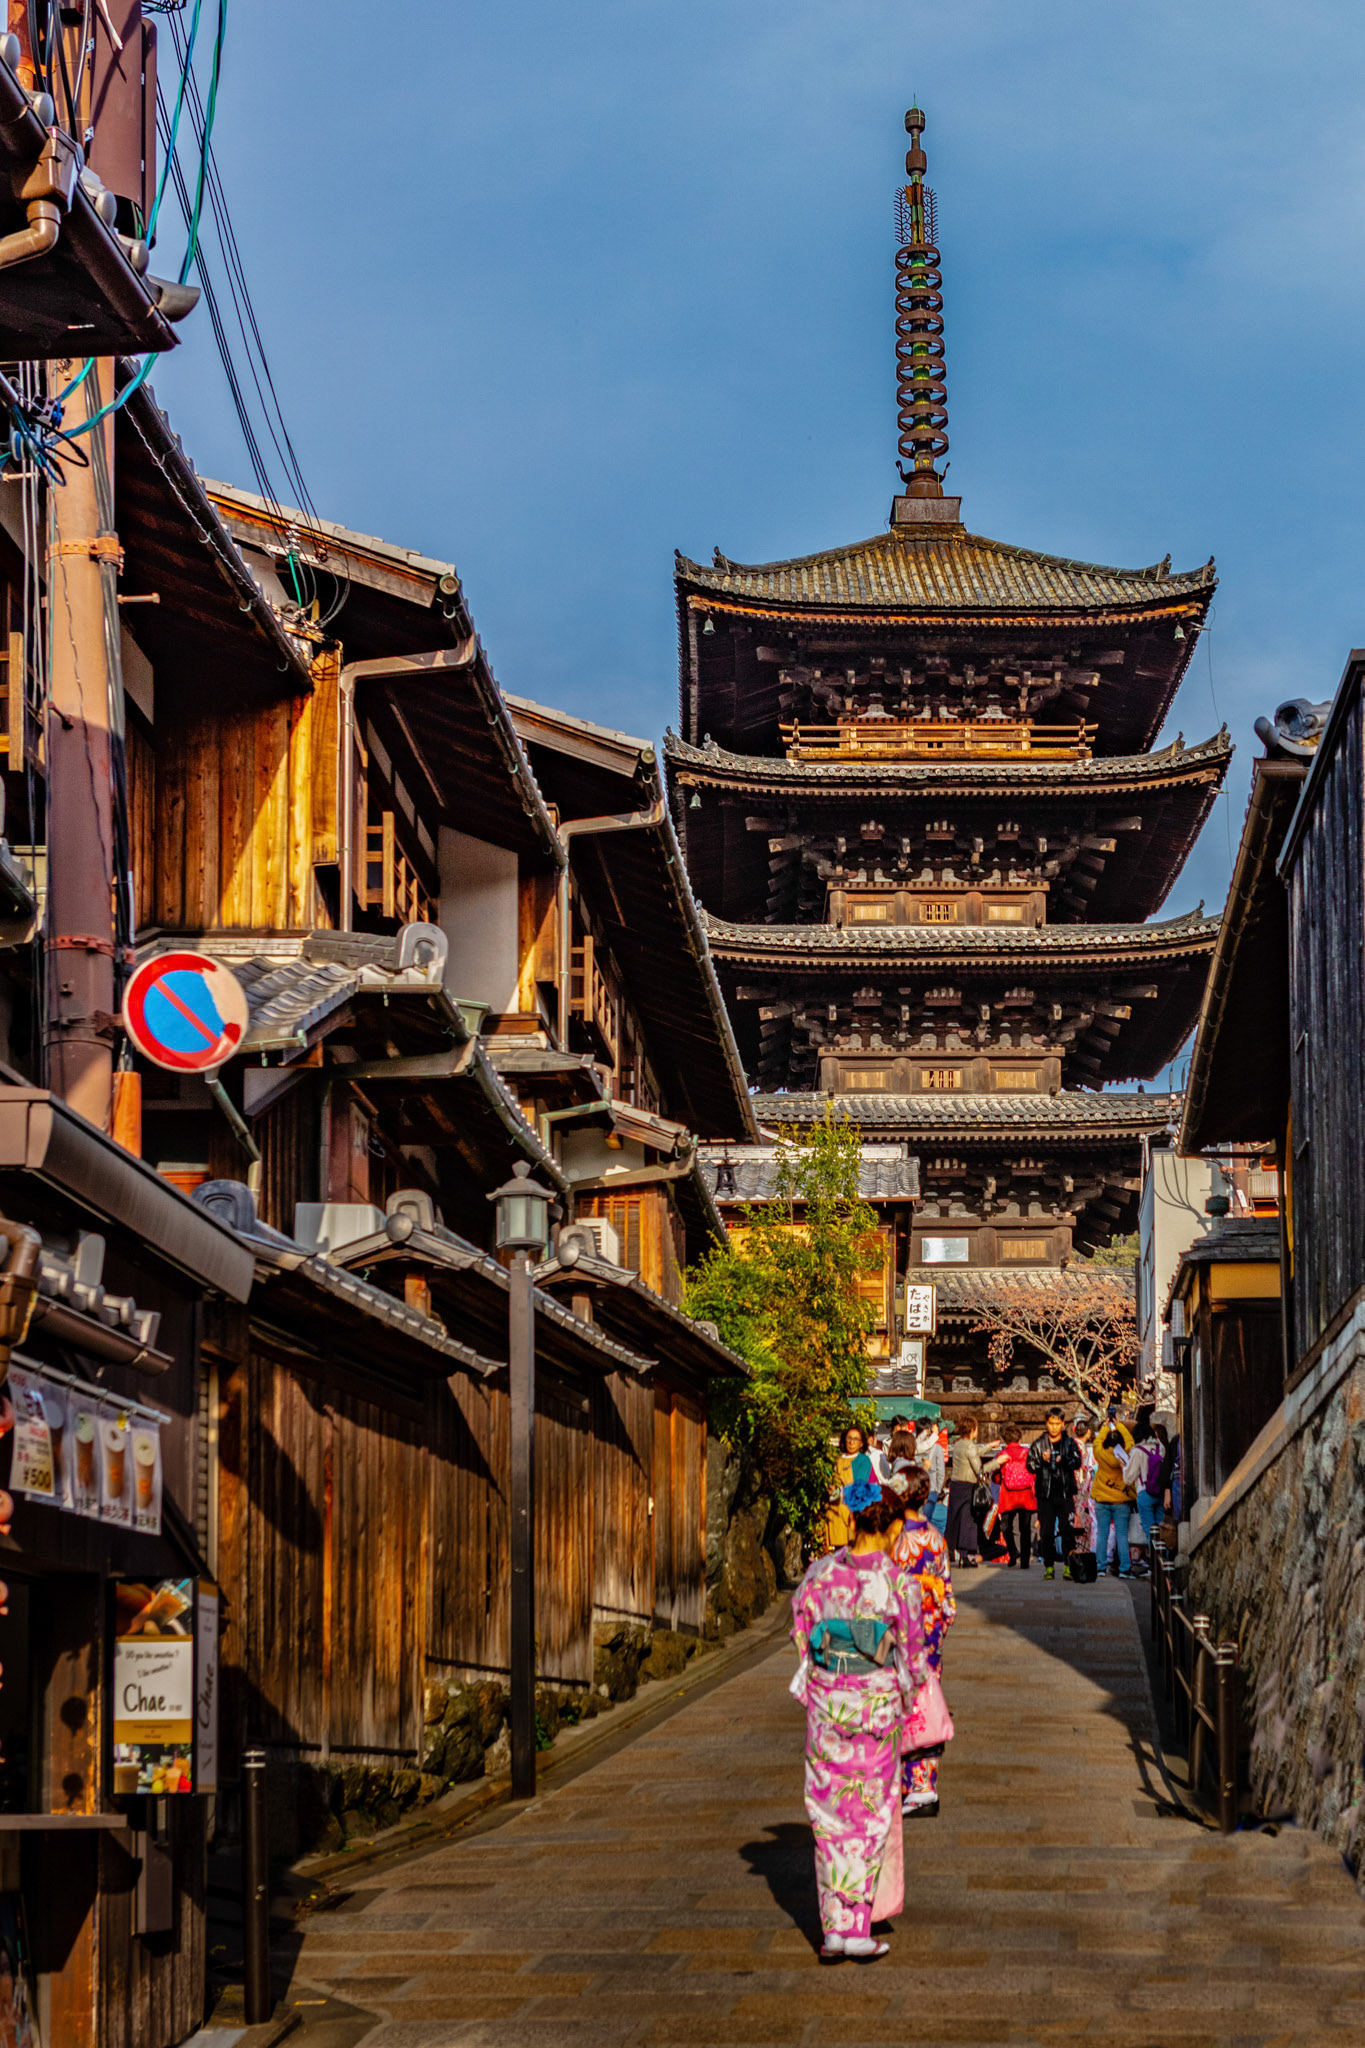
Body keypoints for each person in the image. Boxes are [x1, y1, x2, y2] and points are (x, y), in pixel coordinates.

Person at [791, 1479, 928, 1964]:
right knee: (869, 1818)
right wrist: (906, 1694)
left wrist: (828, 1672)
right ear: (890, 1525)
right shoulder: (897, 1583)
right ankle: (855, 1926)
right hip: (874, 1709)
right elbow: (911, 1657)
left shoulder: (819, 1574)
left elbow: (802, 1632)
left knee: (829, 1819)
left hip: (828, 1709)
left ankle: (833, 1930)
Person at [889, 1465, 956, 1818]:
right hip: (929, 1633)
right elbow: (947, 1597)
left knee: (900, 1709)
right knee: (927, 1709)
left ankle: (902, 1786)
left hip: (899, 1634)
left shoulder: (895, 1543)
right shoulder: (935, 1538)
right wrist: (938, 1628)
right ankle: (925, 1787)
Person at [1026, 1409, 1082, 1580]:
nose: (1054, 1427)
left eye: (1058, 1423)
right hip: (1046, 1494)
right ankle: (1049, 1566)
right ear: (1046, 1423)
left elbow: (1077, 1461)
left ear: (1063, 1424)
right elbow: (1029, 1465)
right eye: (1051, 1423)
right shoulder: (1038, 1444)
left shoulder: (1069, 1443)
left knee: (1067, 1530)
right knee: (1047, 1532)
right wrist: (1041, 1460)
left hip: (1065, 1493)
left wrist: (1063, 1459)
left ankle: (1068, 1565)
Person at [945, 1417, 1004, 1569]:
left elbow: (972, 1452)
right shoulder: (970, 1447)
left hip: (956, 1486)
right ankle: (966, 1556)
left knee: (957, 1520)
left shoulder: (958, 1444)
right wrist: (998, 1462)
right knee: (968, 1522)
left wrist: (989, 1446)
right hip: (967, 1487)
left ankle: (961, 1554)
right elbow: (980, 1470)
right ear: (972, 1430)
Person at [1092, 1407, 1136, 1578]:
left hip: (1102, 1498)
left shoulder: (1100, 1453)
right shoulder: (1125, 1453)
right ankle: (1125, 1568)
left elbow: (1096, 1442)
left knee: (1102, 1533)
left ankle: (1101, 1567)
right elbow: (1130, 1442)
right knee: (1122, 1535)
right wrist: (1120, 1425)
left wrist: (1106, 1426)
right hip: (1121, 1499)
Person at [995, 1432, 1037, 1569]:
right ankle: (1025, 1561)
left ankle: (1013, 1551)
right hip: (1026, 1495)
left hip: (1008, 1495)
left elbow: (996, 1478)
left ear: (1005, 1439)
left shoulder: (1003, 1455)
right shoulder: (1026, 1452)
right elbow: (1034, 1472)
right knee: (1025, 1528)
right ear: (1019, 1438)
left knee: (1006, 1526)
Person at [1072, 1417, 1098, 1553]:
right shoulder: (1081, 1448)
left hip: (1073, 1484)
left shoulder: (1071, 1444)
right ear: (1088, 1432)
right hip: (1080, 1485)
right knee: (1082, 1517)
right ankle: (1082, 1548)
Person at [915, 1420, 947, 1526]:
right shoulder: (937, 1448)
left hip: (916, 1489)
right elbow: (941, 1470)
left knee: (916, 1521)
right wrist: (937, 1490)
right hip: (931, 1489)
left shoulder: (913, 1446)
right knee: (926, 1522)